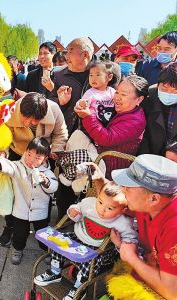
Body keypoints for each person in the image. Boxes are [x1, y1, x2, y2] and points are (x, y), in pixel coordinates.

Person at [34, 181, 137, 300]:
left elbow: (131, 241)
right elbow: (77, 207)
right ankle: (55, 271)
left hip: (99, 249)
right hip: (79, 237)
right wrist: (73, 213)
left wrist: (118, 243)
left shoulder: (123, 223)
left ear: (123, 210)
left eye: (110, 208)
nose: (102, 210)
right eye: (100, 202)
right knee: (59, 241)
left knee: (90, 261)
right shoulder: (89, 204)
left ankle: (79, 287)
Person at [108, 154, 177, 299]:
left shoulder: (173, 228)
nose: (123, 190)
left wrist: (131, 257)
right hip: (149, 269)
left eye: (129, 187)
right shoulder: (148, 204)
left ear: (154, 198)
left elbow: (171, 293)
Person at [0, 137, 58, 264]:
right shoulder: (18, 166)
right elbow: (8, 166)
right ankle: (18, 249)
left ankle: (46, 250)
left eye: (37, 158)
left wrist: (45, 181)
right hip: (21, 210)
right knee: (19, 233)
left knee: (43, 233)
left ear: (45, 159)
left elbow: (54, 187)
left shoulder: (47, 172)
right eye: (29, 154)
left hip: (41, 212)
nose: (31, 160)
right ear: (26, 151)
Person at [50, 37, 94, 220]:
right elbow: (48, 104)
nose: (66, 55)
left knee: (89, 181)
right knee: (66, 182)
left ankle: (85, 222)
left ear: (84, 54)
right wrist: (60, 102)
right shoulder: (59, 75)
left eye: (70, 50)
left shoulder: (100, 72)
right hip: (67, 138)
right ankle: (63, 218)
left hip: (92, 139)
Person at [75, 75, 148, 178]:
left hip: (113, 172)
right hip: (103, 161)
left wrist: (87, 116)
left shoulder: (135, 121)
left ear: (139, 99)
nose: (117, 97)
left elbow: (106, 139)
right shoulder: (123, 110)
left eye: (123, 94)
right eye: (117, 92)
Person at [138, 62, 177, 156]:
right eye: (164, 87)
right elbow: (144, 132)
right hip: (152, 153)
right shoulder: (149, 96)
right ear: (158, 83)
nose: (168, 93)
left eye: (175, 90)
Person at [78, 61, 121, 126]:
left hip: (110, 124)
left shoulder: (112, 91)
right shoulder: (90, 93)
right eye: (91, 75)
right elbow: (82, 107)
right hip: (94, 125)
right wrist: (82, 105)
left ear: (109, 77)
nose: (93, 79)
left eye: (98, 75)